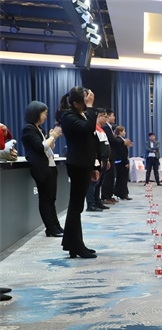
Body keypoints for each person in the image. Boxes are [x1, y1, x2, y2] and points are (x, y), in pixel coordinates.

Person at [56, 86, 99, 259]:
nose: (87, 103)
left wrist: (94, 166)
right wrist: (91, 107)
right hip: (78, 164)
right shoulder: (68, 116)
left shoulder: (79, 115)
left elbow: (90, 139)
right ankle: (75, 245)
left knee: (76, 206)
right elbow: (87, 129)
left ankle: (73, 244)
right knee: (76, 206)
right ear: (75, 103)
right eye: (85, 100)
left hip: (84, 163)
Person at [21, 101, 64, 237]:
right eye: (44, 113)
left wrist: (52, 138)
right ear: (36, 113)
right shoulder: (29, 129)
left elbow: (49, 148)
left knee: (51, 199)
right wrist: (52, 136)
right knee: (45, 199)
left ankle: (56, 226)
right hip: (41, 168)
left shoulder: (40, 129)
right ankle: (50, 228)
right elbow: (40, 147)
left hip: (50, 166)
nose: (46, 116)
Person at [85, 109, 110, 212]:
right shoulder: (94, 129)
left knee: (99, 183)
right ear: (99, 116)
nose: (106, 119)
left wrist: (107, 159)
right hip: (98, 160)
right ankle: (91, 204)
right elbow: (94, 146)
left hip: (104, 159)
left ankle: (97, 202)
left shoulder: (101, 129)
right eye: (105, 117)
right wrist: (96, 160)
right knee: (93, 182)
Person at [113, 126, 132, 200]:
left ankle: (121, 193)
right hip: (121, 162)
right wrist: (126, 162)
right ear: (120, 132)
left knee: (121, 178)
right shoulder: (119, 140)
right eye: (124, 131)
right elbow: (122, 153)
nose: (125, 133)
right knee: (123, 179)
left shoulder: (122, 140)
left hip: (120, 161)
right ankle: (123, 194)